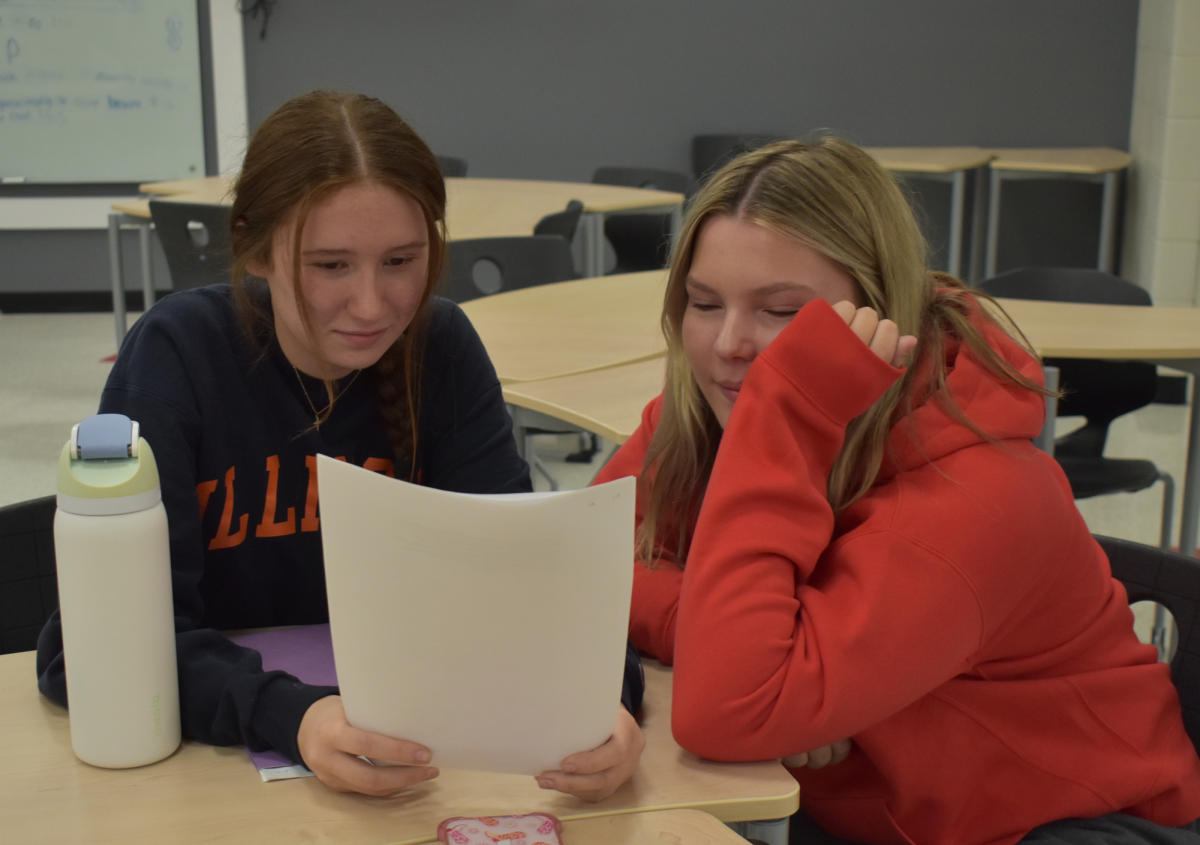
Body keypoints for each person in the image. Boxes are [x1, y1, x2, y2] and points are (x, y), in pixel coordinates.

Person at [37, 90, 644, 801]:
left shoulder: (440, 351)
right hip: (211, 781)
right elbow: (89, 651)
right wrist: (289, 714)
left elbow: (540, 595)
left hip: (419, 774)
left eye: (401, 261)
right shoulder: (178, 356)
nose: (371, 304)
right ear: (255, 248)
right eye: (330, 266)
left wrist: (609, 702)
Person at [594, 137, 1200, 844]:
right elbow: (580, 560)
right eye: (703, 303)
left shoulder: (985, 493)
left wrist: (766, 664)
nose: (730, 343)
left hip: (1062, 825)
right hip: (864, 805)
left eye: (783, 312)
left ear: (884, 316)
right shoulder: (711, 408)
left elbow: (727, 708)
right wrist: (755, 648)